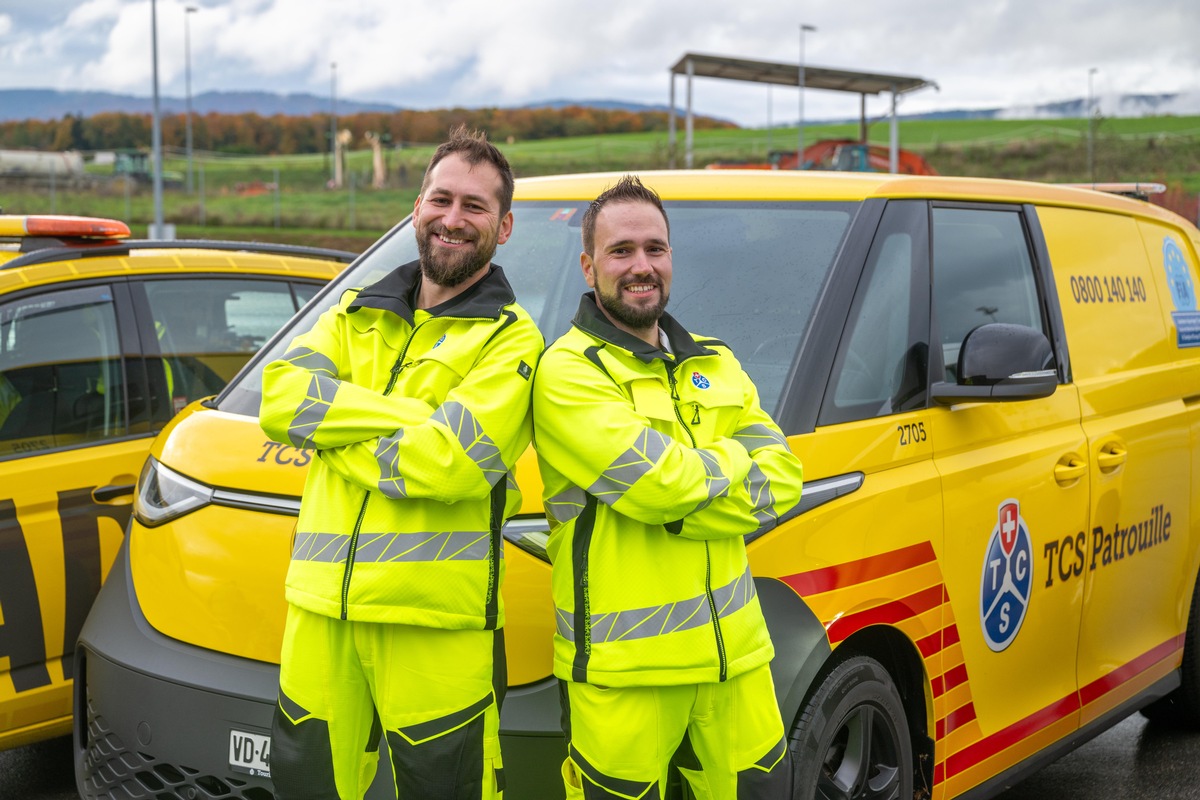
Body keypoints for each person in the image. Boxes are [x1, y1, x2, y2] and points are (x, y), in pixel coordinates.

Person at [259, 126, 543, 800]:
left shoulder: (511, 340)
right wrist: (413, 417)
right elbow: (281, 401)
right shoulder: (352, 311)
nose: (453, 218)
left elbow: (450, 463)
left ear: (504, 227)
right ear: (417, 208)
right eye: (441, 199)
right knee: (305, 789)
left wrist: (335, 431)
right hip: (321, 616)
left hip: (435, 629)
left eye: (474, 206)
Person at [531, 175, 805, 799]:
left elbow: (783, 479)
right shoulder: (568, 372)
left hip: (737, 664)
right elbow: (661, 488)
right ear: (588, 267)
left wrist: (685, 493)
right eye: (621, 251)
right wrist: (731, 458)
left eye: (654, 248)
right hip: (626, 673)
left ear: (671, 258)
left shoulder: (714, 360)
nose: (641, 266)